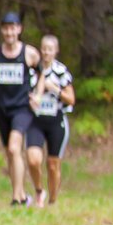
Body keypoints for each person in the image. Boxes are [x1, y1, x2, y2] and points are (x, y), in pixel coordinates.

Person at [0, 12, 43, 206]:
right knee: (10, 153)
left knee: (14, 147)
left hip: (22, 108)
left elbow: (43, 74)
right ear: (2, 30)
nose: (10, 32)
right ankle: (20, 193)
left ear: (19, 29)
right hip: (2, 108)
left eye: (13, 28)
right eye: (6, 28)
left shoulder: (30, 53)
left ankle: (17, 198)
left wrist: (38, 95)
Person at [25, 34, 75, 206]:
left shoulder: (61, 72)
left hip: (56, 121)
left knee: (53, 164)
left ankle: (53, 201)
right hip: (35, 121)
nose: (46, 53)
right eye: (44, 49)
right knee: (33, 159)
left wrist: (55, 89)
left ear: (56, 51)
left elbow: (71, 99)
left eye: (50, 49)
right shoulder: (32, 72)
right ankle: (39, 190)